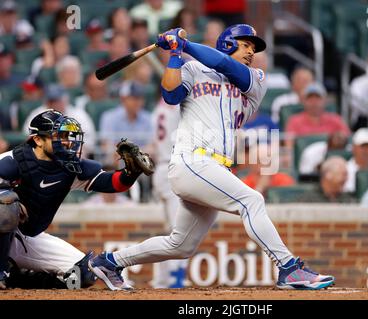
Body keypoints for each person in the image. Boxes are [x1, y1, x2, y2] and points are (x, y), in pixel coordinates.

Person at [89, 24, 335, 291]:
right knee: (252, 200)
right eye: (246, 45)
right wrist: (175, 54)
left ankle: (110, 262)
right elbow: (171, 95)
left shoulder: (256, 78)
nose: (252, 52)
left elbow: (224, 65)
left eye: (254, 48)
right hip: (192, 161)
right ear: (228, 43)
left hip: (213, 169)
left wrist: (185, 45)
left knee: (181, 245)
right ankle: (288, 268)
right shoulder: (194, 69)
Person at [0, 109, 151, 289]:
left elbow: (113, 184)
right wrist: (10, 198)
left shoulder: (69, 167)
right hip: (3, 231)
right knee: (6, 204)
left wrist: (131, 172)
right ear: (38, 140)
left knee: (82, 275)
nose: (66, 141)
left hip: (24, 236)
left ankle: (16, 280)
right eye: (58, 136)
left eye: (67, 136)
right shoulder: (11, 161)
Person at [148, 95, 188, 288]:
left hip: (161, 169)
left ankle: (163, 280)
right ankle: (175, 278)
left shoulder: (158, 108)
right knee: (178, 230)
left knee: (169, 230)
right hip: (173, 168)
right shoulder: (176, 107)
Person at [22, 84, 97, 157]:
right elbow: (27, 136)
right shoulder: (37, 114)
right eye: (51, 101)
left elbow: (89, 139)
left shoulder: (78, 114)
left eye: (57, 100)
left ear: (65, 99)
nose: (55, 104)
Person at [285, 82, 350, 147]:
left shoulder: (336, 120)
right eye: (310, 98)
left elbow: (348, 141)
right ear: (303, 101)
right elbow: (289, 147)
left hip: (330, 155)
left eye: (318, 98)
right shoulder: (294, 121)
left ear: (325, 100)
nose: (314, 102)